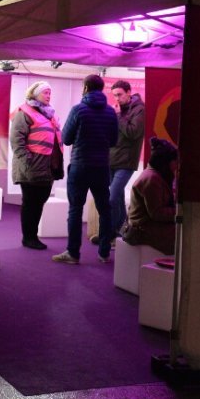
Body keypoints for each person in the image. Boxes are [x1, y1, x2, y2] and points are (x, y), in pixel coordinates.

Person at [53, 74, 117, 265]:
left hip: (80, 165)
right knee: (105, 210)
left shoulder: (78, 110)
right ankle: (104, 253)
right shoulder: (110, 112)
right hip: (101, 167)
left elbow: (66, 138)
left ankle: (73, 253)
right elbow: (113, 141)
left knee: (75, 209)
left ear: (86, 88)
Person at [9, 80, 63, 251]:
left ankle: (31, 236)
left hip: (48, 166)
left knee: (39, 201)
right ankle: (29, 237)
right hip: (31, 167)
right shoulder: (24, 112)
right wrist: (28, 161)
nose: (48, 95)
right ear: (34, 94)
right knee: (31, 202)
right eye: (45, 92)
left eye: (49, 93)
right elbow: (17, 140)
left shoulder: (50, 114)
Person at [100, 79, 145, 261]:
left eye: (119, 94)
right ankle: (122, 231)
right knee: (116, 198)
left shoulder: (140, 109)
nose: (117, 99)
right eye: (114, 95)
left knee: (112, 197)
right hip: (111, 159)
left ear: (129, 92)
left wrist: (118, 117)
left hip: (126, 161)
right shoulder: (120, 110)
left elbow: (134, 133)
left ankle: (112, 233)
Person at [119, 137, 178, 255]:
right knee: (184, 236)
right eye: (175, 162)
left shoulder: (154, 176)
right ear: (166, 163)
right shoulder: (152, 180)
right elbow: (157, 213)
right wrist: (179, 213)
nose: (176, 165)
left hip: (144, 225)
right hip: (141, 230)